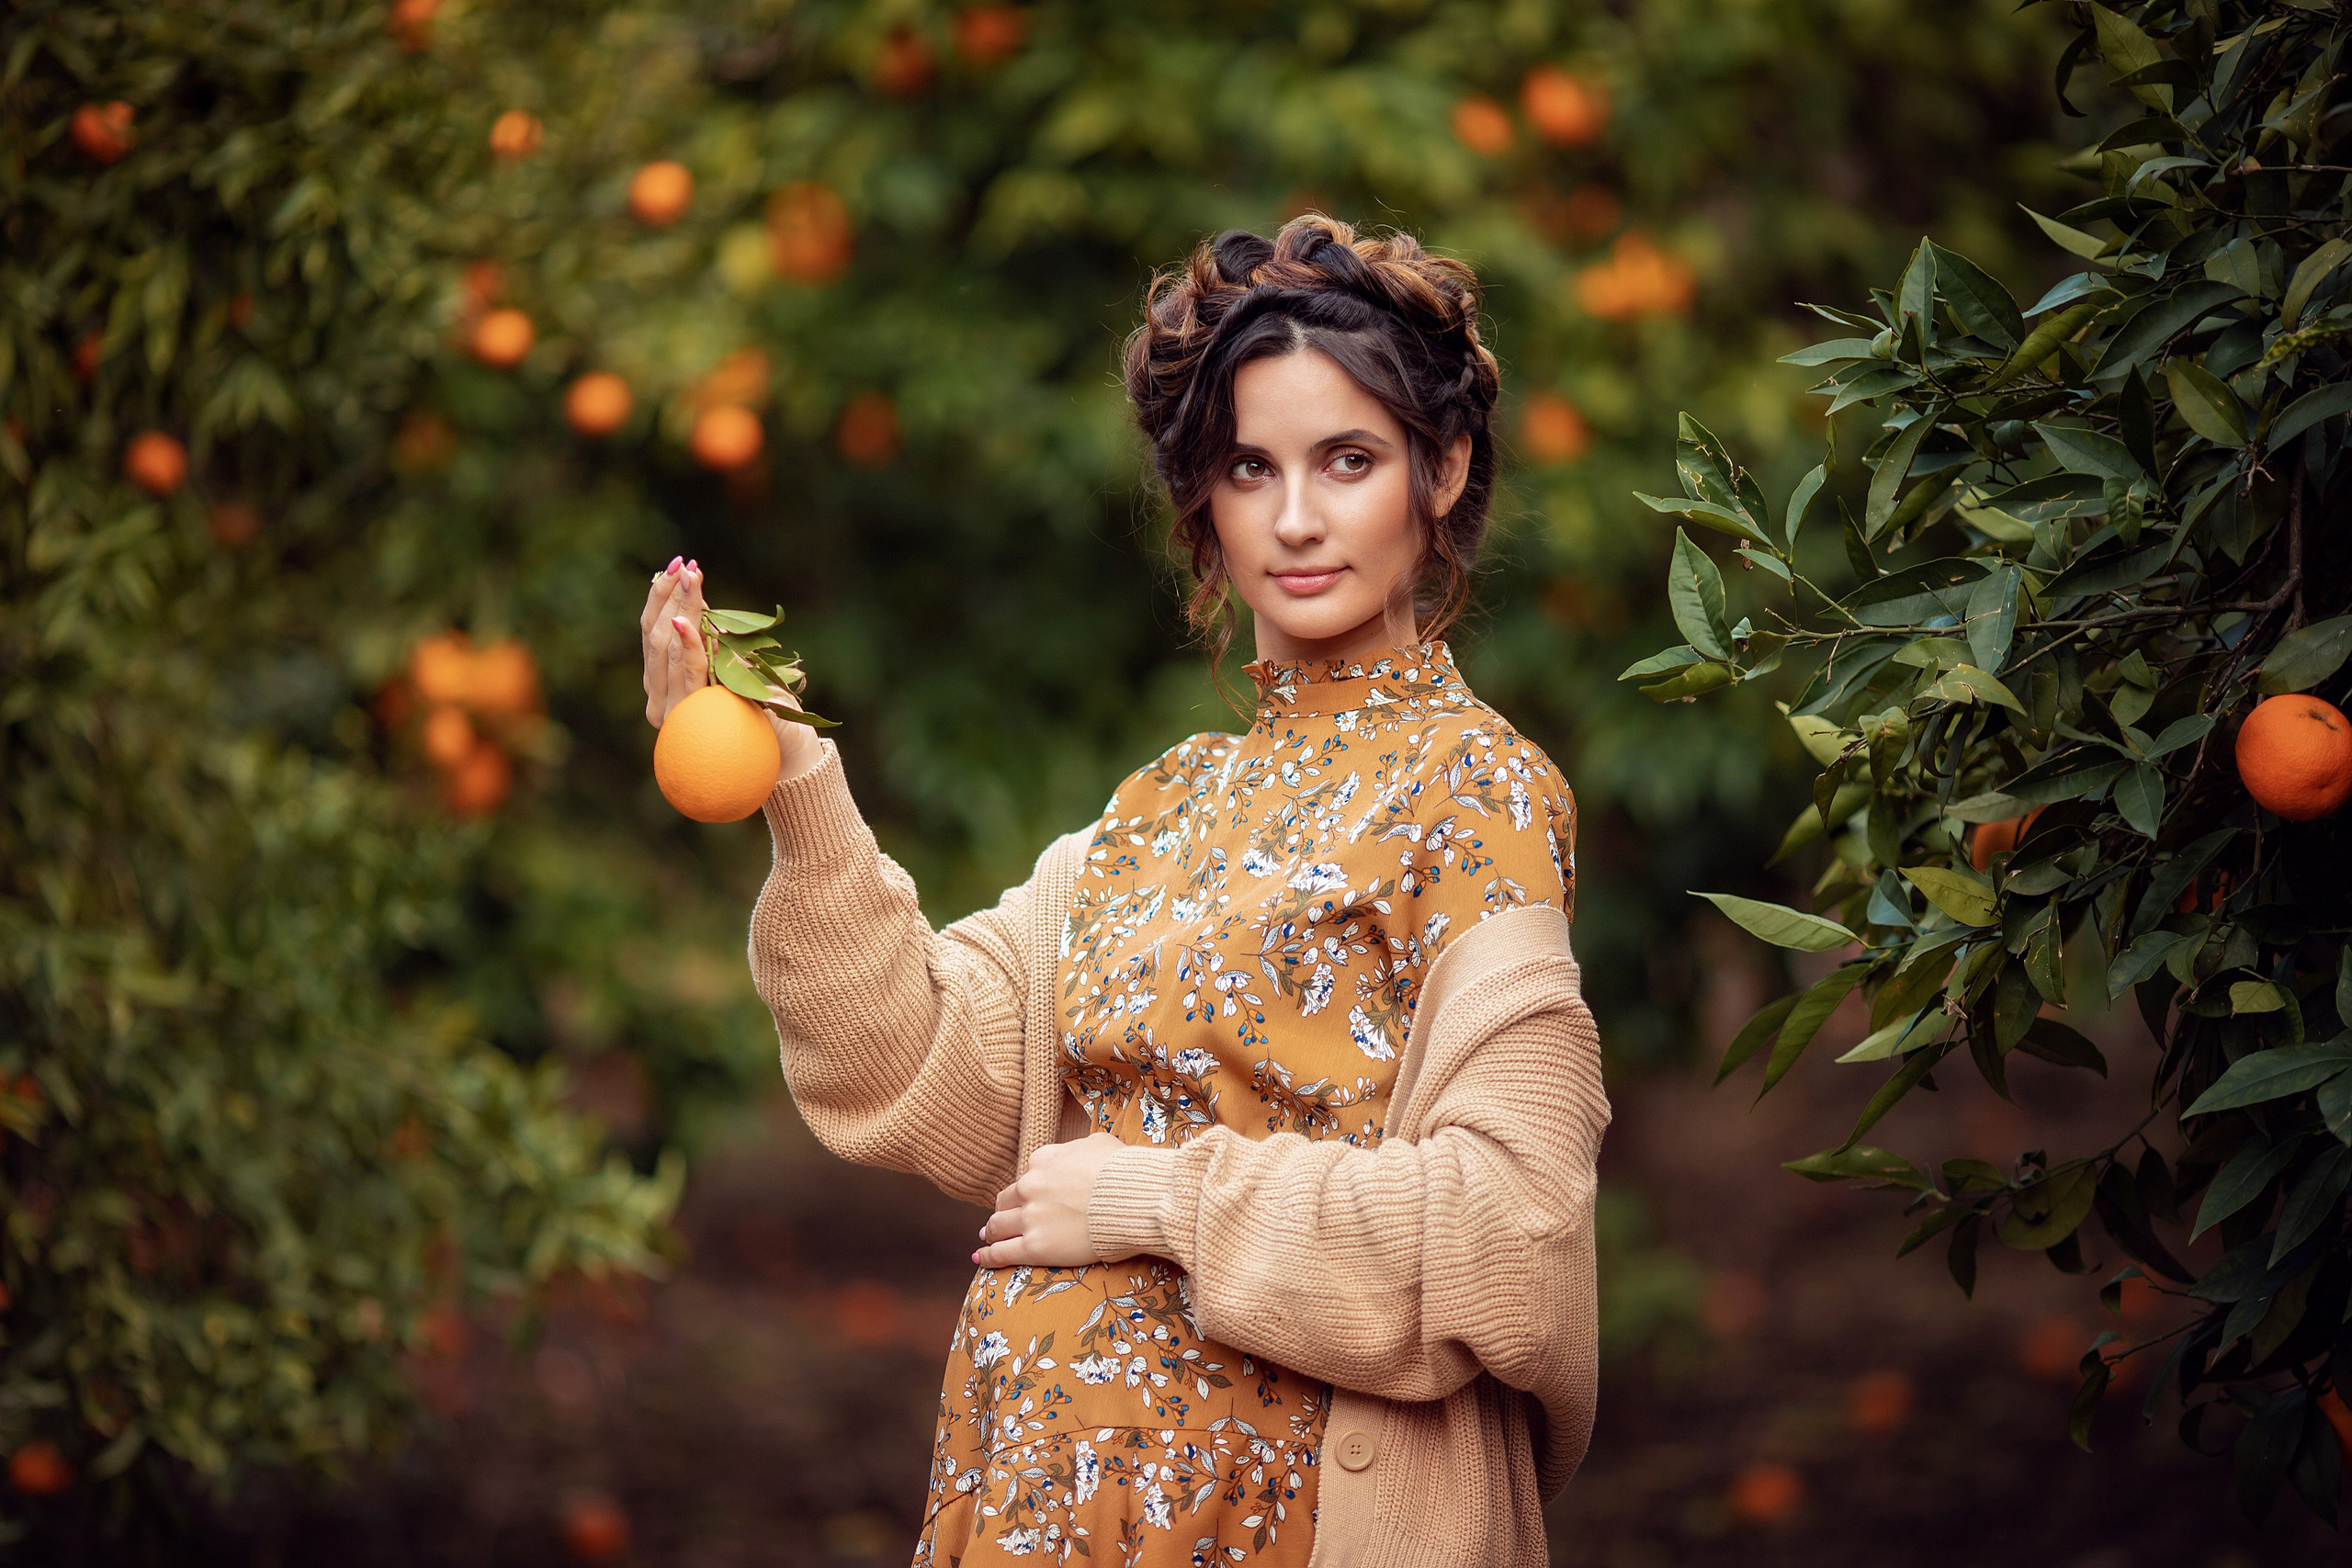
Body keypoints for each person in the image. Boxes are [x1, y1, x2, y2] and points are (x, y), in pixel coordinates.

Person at [639, 214, 1609, 1567]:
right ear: (1202, 499)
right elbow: (912, 1066)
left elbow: (1509, 1239)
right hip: (1038, 1506)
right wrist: (797, 780)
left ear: (1439, 472)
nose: (1298, 518)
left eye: (1349, 460)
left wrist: (1163, 1201)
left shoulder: (1479, 791)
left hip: (1285, 1523)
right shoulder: (1164, 808)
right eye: (1249, 469)